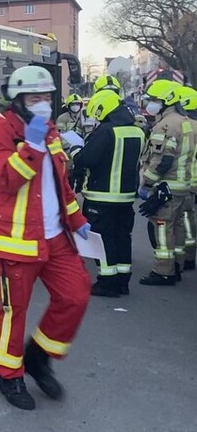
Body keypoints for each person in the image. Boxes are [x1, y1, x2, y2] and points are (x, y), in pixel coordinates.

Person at [0, 65, 91, 410]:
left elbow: (59, 185)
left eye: (47, 97)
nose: (43, 104)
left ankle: (38, 356)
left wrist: (77, 219)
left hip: (56, 237)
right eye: (35, 98)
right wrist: (29, 145)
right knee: (14, 312)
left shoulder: (51, 132)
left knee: (76, 296)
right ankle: (9, 376)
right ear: (17, 101)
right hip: (16, 242)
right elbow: (8, 180)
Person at [70, 90, 144, 297]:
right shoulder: (137, 131)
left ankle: (107, 282)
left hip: (101, 197)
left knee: (103, 241)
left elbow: (86, 159)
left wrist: (76, 148)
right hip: (126, 197)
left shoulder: (105, 131)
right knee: (122, 238)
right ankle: (122, 281)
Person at [138, 79, 195, 286]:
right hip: (183, 185)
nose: (150, 103)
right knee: (177, 227)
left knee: (162, 228)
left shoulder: (165, 125)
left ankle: (163, 271)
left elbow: (162, 160)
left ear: (166, 101)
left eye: (154, 100)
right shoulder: (187, 122)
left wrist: (146, 184)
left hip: (166, 186)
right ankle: (177, 265)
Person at [178, 85, 197, 271]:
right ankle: (190, 255)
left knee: (184, 219)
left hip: (188, 180)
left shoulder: (186, 125)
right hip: (191, 179)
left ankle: (186, 257)